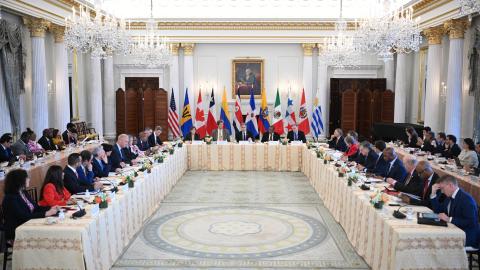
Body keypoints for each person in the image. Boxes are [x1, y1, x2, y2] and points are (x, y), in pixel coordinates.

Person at [2, 169, 58, 240]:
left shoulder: (23, 192)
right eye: (27, 178)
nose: (29, 179)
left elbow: (35, 208)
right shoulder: (10, 198)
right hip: (18, 229)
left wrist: (50, 208)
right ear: (19, 181)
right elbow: (23, 216)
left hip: (28, 223)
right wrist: (46, 213)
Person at [430, 175, 479, 248]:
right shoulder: (449, 196)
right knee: (432, 236)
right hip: (454, 230)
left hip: (467, 235)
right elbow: (438, 210)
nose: (442, 192)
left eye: (442, 188)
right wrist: (433, 193)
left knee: (436, 242)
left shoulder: (466, 200)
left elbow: (470, 222)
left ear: (450, 185)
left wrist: (449, 219)